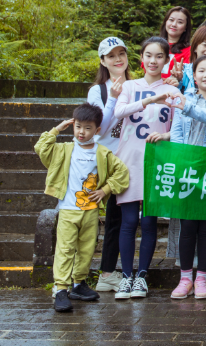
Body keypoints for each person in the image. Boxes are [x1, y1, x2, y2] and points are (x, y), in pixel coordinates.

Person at [35, 103, 129, 312]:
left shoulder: (103, 153)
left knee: (86, 250)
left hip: (90, 211)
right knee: (65, 249)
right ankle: (61, 288)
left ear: (96, 131)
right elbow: (41, 148)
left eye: (87, 128)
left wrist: (105, 190)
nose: (81, 132)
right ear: (73, 126)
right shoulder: (64, 150)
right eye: (78, 126)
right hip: (68, 210)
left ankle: (79, 284)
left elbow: (121, 173)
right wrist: (56, 130)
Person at [155, 55, 206, 300]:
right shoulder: (183, 98)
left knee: (205, 227)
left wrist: (187, 106)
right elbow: (177, 134)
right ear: (194, 74)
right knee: (187, 226)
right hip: (189, 169)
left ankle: (202, 278)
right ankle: (185, 278)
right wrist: (180, 163)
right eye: (201, 71)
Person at [112, 36, 179, 301]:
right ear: (142, 58)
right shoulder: (129, 86)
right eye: (149, 55)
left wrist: (167, 136)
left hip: (158, 161)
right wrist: (150, 100)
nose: (153, 61)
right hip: (129, 159)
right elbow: (119, 113)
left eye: (159, 56)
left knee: (149, 222)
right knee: (128, 222)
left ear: (166, 60)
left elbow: (179, 128)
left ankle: (141, 276)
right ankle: (125, 277)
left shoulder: (173, 90)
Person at [88, 37, 132, 294]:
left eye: (122, 53)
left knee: (128, 219)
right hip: (109, 164)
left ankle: (118, 270)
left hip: (134, 160)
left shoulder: (136, 85)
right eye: (111, 55)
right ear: (103, 60)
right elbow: (99, 129)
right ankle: (106, 273)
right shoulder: (99, 91)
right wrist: (113, 99)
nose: (118, 59)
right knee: (114, 218)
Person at [166, 25, 206, 93]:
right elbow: (171, 95)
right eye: (205, 45)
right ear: (195, 47)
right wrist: (176, 80)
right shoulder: (184, 71)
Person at [158, 6, 193, 79]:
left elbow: (187, 78)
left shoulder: (189, 52)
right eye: (171, 20)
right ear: (165, 22)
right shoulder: (154, 46)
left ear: (185, 27)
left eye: (180, 22)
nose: (174, 24)